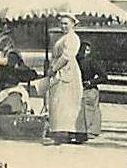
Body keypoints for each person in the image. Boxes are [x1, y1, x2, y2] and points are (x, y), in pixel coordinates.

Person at [45, 13, 83, 145]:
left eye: (66, 23)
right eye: (61, 23)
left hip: (67, 71)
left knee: (66, 103)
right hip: (60, 71)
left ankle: (66, 131)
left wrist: (54, 68)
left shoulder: (72, 38)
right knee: (58, 102)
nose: (63, 26)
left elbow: (66, 56)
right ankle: (58, 130)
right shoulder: (63, 38)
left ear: (73, 24)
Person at [75, 41, 109, 143]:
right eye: (86, 50)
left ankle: (86, 131)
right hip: (85, 89)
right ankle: (89, 131)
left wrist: (90, 82)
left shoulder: (87, 62)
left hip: (86, 89)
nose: (87, 52)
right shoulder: (82, 61)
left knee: (87, 110)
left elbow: (104, 77)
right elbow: (104, 77)